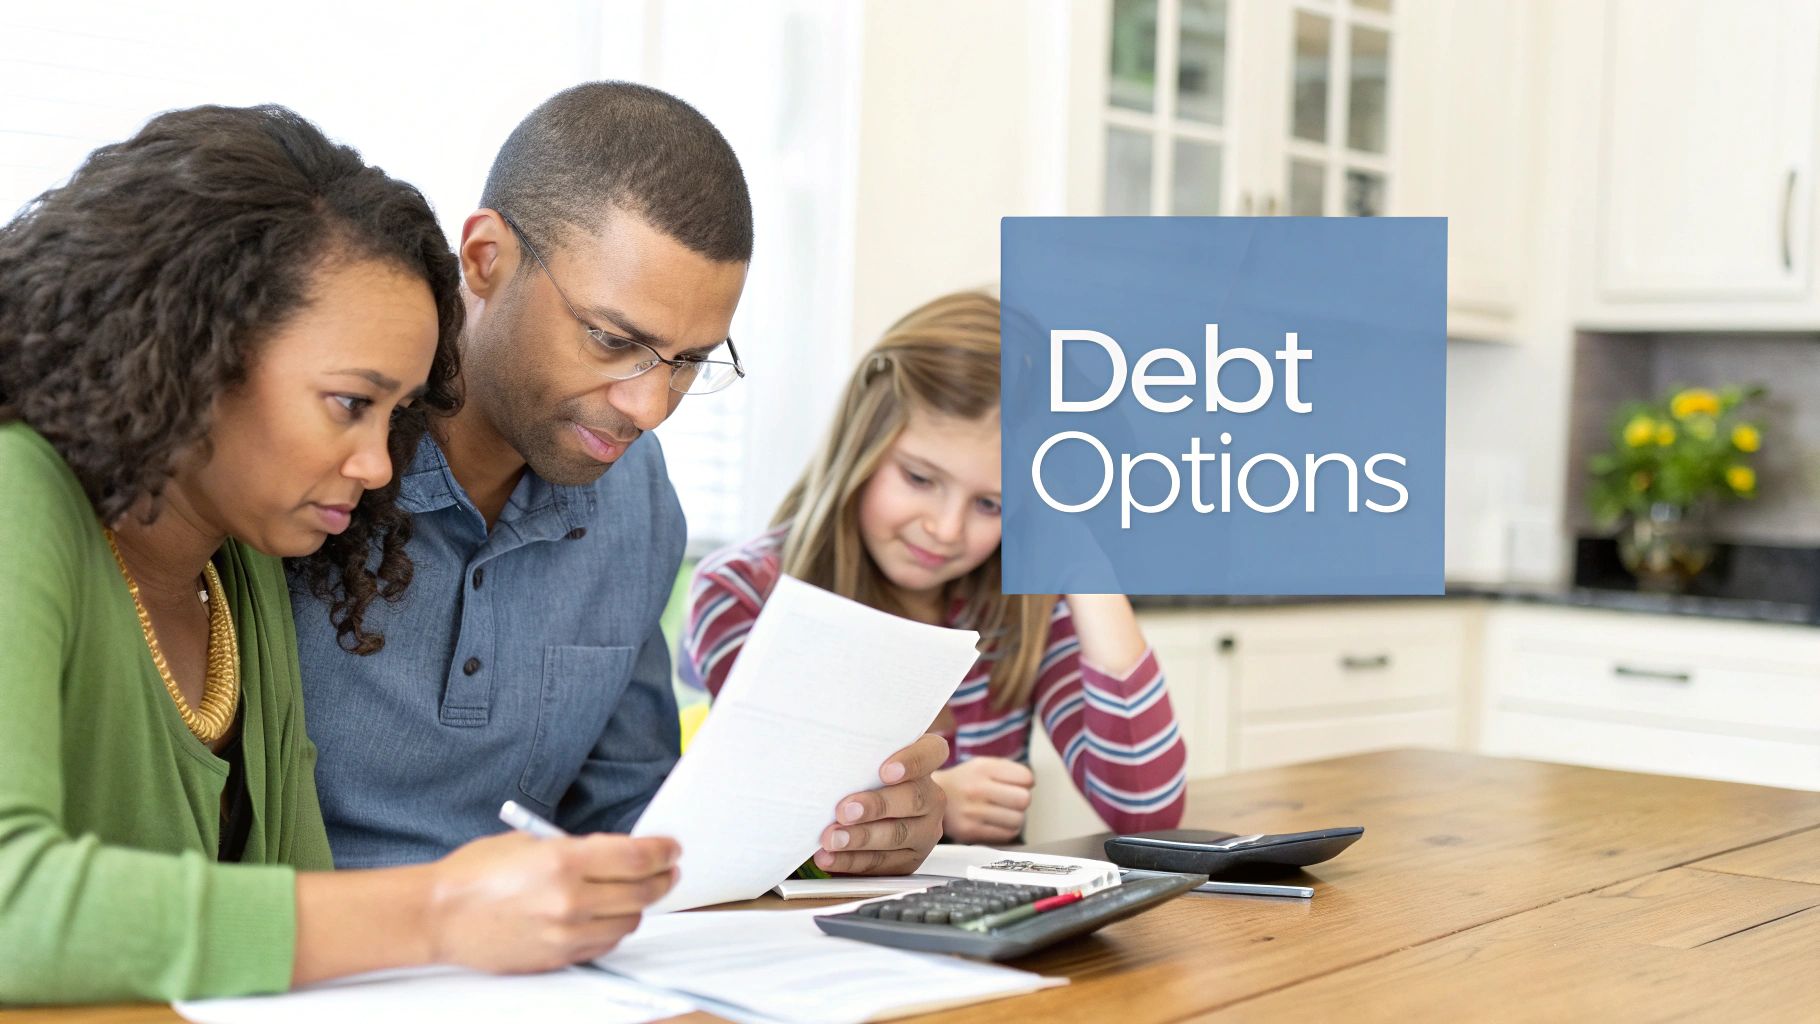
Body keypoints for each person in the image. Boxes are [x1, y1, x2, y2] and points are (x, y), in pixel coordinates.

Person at [0, 105, 679, 1005]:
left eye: (395, 415)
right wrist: (438, 908)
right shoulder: (20, 491)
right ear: (193, 352)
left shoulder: (237, 568)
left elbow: (291, 905)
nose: (375, 463)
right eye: (349, 403)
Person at [292, 82, 948, 878]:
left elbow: (627, 822)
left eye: (690, 362)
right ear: (485, 260)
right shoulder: (317, 458)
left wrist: (829, 834)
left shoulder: (635, 495)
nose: (648, 407)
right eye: (609, 339)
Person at [680, 292, 1188, 844]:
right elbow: (770, 805)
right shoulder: (743, 592)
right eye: (920, 479)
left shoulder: (1023, 605)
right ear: (861, 446)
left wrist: (1084, 560)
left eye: (990, 503)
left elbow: (1149, 814)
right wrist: (934, 802)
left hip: (988, 924)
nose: (946, 530)